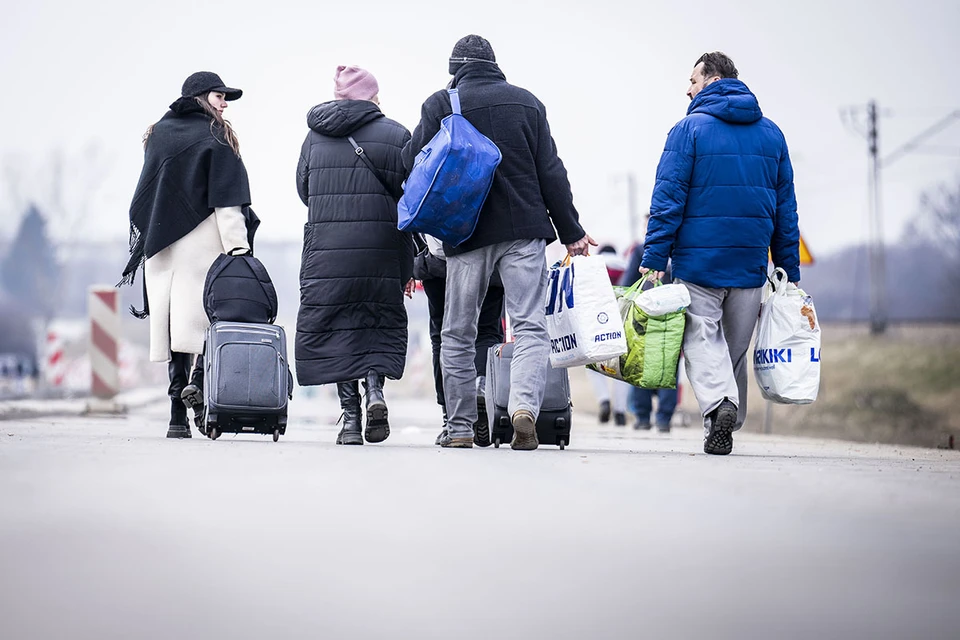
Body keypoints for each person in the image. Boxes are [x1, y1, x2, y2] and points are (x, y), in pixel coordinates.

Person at [403, 34, 595, 450]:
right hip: (524, 231)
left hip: (466, 233)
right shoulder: (528, 103)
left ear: (456, 69)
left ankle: (458, 428)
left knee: (457, 332)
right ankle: (523, 408)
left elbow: (410, 162)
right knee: (529, 328)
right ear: (494, 64)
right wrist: (572, 232)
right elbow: (552, 172)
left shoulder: (441, 103)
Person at [639, 52, 800, 455]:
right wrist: (787, 268)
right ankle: (723, 421)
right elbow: (786, 209)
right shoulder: (772, 134)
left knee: (699, 337)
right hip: (749, 265)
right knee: (733, 350)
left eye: (692, 79)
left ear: (711, 79)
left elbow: (668, 198)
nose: (687, 88)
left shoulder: (688, 130)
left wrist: (655, 257)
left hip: (698, 262)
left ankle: (720, 405)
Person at [121, 71, 254, 439]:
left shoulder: (158, 134)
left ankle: (177, 415)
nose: (225, 104)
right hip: (202, 245)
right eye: (219, 96)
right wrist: (239, 249)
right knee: (205, 325)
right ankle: (199, 393)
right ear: (199, 97)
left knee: (173, 327)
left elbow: (150, 190)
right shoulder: (217, 136)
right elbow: (228, 202)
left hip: (161, 246)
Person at [295, 65, 414, 446]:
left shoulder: (314, 138)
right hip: (381, 247)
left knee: (337, 331)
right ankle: (375, 391)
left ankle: (350, 420)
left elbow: (304, 188)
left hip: (328, 251)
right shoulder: (396, 135)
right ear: (371, 96)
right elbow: (411, 194)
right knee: (376, 321)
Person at [413, 235, 505, 446]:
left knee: (443, 336)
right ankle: (481, 386)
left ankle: (450, 418)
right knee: (487, 331)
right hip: (487, 257)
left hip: (439, 263)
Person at [621, 242, 678, 432]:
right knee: (669, 364)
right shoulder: (680, 247)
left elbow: (629, 281)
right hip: (672, 316)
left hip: (644, 315)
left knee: (641, 364)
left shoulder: (641, 250)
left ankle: (643, 417)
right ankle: (664, 419)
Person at [588, 245, 630, 426]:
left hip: (597, 320)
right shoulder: (625, 266)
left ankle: (604, 400)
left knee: (594, 364)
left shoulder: (593, 266)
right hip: (622, 319)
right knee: (622, 366)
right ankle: (620, 411)